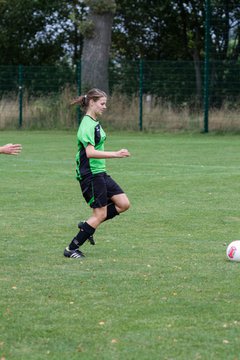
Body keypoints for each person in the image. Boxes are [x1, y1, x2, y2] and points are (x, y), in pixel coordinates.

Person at [64, 88, 130, 259]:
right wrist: (116, 154)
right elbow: (90, 153)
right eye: (102, 103)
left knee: (123, 203)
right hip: (91, 175)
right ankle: (71, 248)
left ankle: (88, 226)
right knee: (99, 214)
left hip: (100, 173)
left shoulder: (94, 123)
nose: (105, 107)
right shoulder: (87, 125)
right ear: (92, 102)